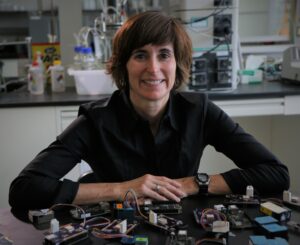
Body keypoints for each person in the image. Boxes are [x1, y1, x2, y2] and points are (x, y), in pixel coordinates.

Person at [9, 11, 289, 210]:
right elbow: (24, 189)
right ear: (123, 66)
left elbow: (276, 173)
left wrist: (194, 184)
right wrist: (122, 188)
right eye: (140, 55)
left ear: (177, 63)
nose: (153, 69)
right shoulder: (95, 121)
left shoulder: (200, 111)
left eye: (164, 55)